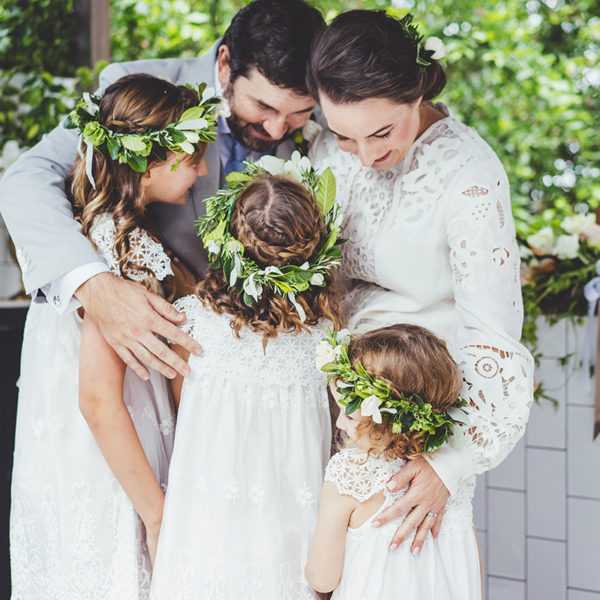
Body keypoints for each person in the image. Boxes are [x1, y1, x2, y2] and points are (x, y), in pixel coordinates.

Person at [0, 0, 325, 385]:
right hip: (149, 361)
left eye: (298, 113)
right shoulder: (141, 91)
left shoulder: (329, 127)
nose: (276, 130)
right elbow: (28, 176)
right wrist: (94, 286)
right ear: (224, 64)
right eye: (262, 106)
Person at [306, 11, 534, 556]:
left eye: (382, 133)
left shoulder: (470, 175)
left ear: (415, 93)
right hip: (321, 401)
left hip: (417, 425)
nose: (366, 155)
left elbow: (494, 336)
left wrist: (447, 461)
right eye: (344, 137)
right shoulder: (322, 149)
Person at [9, 73, 216, 599]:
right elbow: (100, 400)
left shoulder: (95, 230)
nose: (204, 171)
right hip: (109, 462)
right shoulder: (117, 251)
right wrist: (156, 515)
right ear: (150, 165)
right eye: (193, 159)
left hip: (89, 451)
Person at [149, 154, 343, 598]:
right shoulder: (327, 339)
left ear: (227, 243)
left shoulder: (189, 325)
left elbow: (183, 407)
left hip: (206, 522)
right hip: (293, 528)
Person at [307, 325, 481, 599]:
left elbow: (323, 576)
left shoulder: (349, 473)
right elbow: (470, 562)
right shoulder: (449, 477)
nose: (340, 423)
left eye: (349, 415)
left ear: (386, 421)